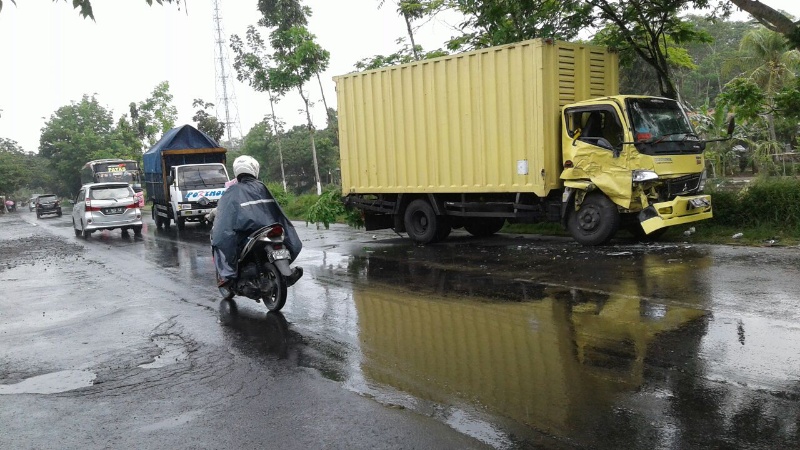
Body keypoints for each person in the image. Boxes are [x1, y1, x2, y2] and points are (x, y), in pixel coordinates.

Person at [211, 155, 303, 289]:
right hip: (268, 228)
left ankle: (229, 275)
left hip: (249, 233)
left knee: (220, 240)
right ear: (254, 170)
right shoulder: (262, 186)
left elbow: (224, 217)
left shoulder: (233, 190)